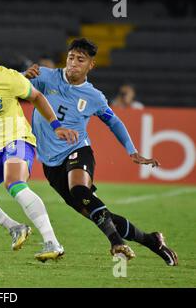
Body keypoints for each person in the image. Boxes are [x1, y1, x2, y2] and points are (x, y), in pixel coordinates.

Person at [23, 38, 178, 265]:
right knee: (97, 212)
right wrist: (23, 76)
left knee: (79, 190)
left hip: (77, 150)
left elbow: (113, 122)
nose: (73, 63)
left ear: (90, 65)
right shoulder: (47, 77)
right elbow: (15, 84)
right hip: (50, 162)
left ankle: (116, 242)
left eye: (80, 60)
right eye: (71, 58)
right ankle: (151, 240)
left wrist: (132, 151)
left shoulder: (93, 96)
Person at [0, 40, 79, 262]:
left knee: (14, 182)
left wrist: (56, 126)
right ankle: (15, 228)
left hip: (17, 140)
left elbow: (37, 96)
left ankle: (52, 242)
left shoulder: (7, 78)